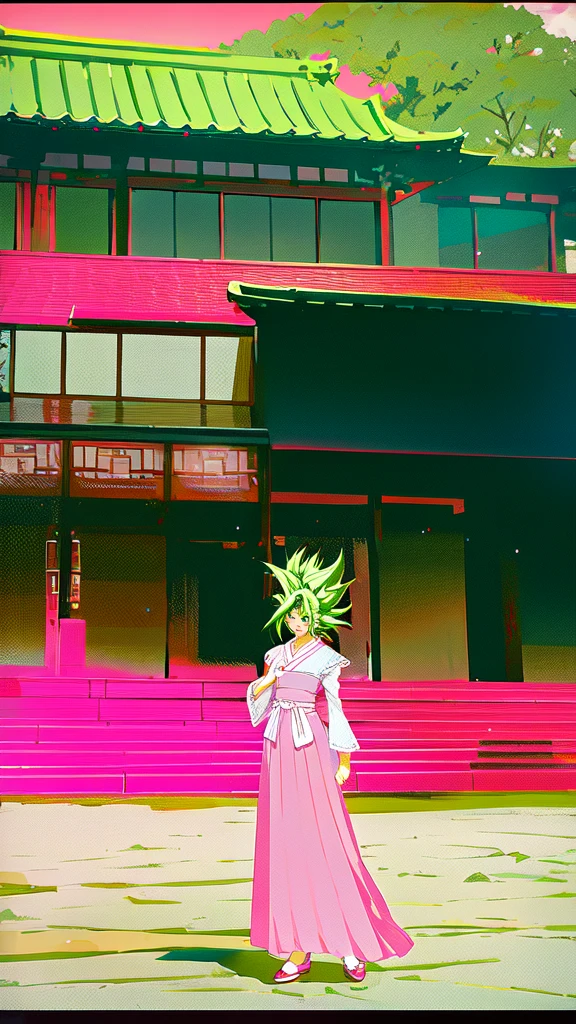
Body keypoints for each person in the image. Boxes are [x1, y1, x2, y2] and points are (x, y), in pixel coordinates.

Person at [247, 546, 414, 983]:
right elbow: (258, 707)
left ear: (315, 617)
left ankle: (348, 942)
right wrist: (268, 679)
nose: (294, 622)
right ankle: (297, 947)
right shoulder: (275, 655)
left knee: (327, 842)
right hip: (277, 747)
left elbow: (336, 710)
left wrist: (342, 759)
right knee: (286, 845)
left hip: (310, 748)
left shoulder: (326, 658)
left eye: (302, 615)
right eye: (290, 615)